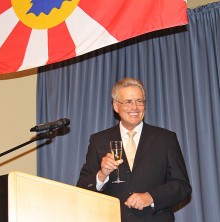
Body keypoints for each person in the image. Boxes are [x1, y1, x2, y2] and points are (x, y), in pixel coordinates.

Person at [77, 77, 191, 222]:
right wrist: (102, 174)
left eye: (139, 101)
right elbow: (82, 188)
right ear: (116, 106)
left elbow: (182, 186)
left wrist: (150, 197)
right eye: (128, 102)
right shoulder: (98, 140)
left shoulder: (165, 138)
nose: (135, 107)